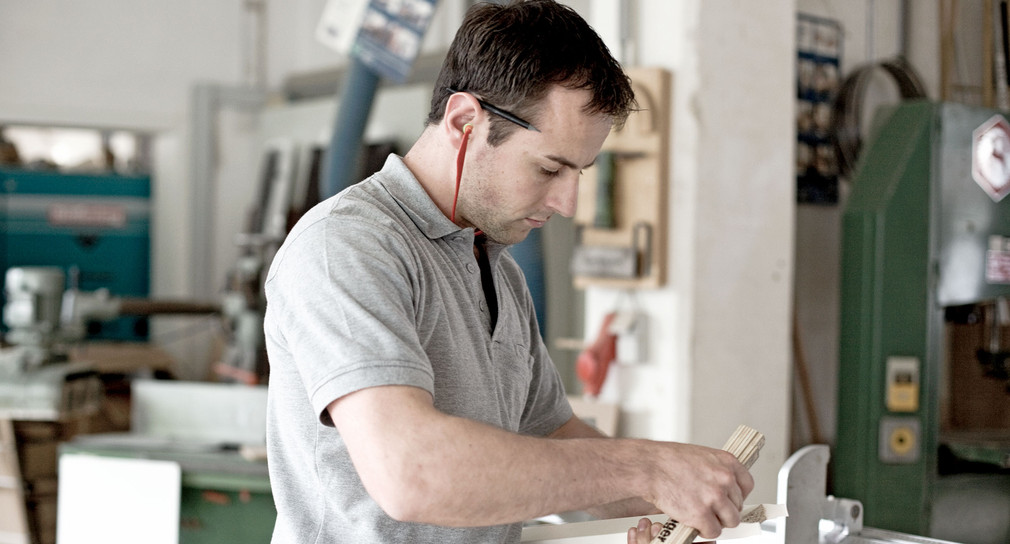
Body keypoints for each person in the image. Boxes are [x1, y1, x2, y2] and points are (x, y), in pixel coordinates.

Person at [263, 1, 754, 543]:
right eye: (549, 167)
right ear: (465, 122)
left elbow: (552, 437)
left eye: (580, 173)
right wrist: (647, 468)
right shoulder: (349, 246)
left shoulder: (495, 267)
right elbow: (411, 473)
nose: (568, 202)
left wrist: (689, 497)